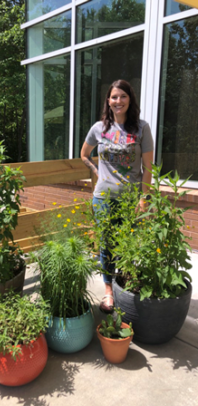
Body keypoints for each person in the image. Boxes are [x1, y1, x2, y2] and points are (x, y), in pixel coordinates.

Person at [80, 79, 153, 314]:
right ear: (108, 101)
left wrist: (144, 199)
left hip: (130, 199)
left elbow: (149, 169)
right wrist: (98, 174)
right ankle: (109, 292)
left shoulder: (141, 128)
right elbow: (84, 154)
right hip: (103, 197)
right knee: (107, 244)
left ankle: (126, 288)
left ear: (130, 99)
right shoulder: (98, 128)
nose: (118, 101)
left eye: (122, 96)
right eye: (114, 97)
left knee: (129, 244)